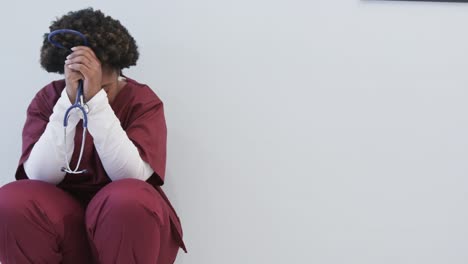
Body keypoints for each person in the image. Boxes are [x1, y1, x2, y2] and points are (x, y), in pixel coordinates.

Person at [0, 8, 186, 264]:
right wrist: (68, 103)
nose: (89, 93)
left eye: (105, 87)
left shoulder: (142, 101)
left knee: (127, 200)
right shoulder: (49, 100)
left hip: (128, 226)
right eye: (83, 85)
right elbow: (39, 176)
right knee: (12, 201)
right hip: (63, 226)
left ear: (119, 73)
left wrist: (96, 104)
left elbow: (132, 176)